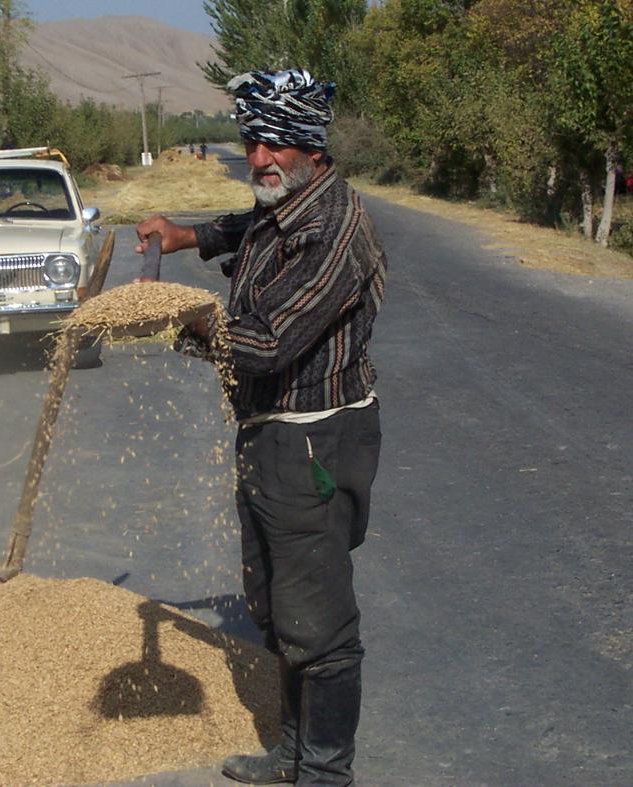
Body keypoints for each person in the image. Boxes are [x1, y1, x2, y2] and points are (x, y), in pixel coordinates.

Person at [136, 68, 387, 786]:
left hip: (315, 437)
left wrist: (182, 312)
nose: (259, 158)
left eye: (275, 143)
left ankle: (325, 773)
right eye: (252, 140)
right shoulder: (285, 205)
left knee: (321, 625)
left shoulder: (336, 227)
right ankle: (290, 752)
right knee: (274, 606)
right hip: (267, 431)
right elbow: (248, 225)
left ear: (311, 146)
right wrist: (183, 236)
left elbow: (269, 341)